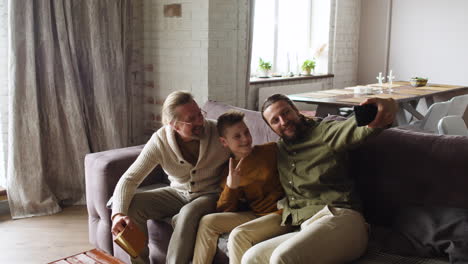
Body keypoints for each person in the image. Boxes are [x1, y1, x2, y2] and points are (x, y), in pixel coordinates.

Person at [242, 94, 398, 264]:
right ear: (272, 128)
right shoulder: (281, 148)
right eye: (275, 120)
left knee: (282, 258)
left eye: (286, 113)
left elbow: (358, 127)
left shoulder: (324, 132)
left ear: (296, 111)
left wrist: (388, 105)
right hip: (307, 225)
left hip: (343, 220)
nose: (283, 121)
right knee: (252, 257)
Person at [110, 91, 230, 264]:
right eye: (191, 119)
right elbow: (130, 178)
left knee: (187, 213)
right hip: (178, 193)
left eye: (199, 114)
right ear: (174, 125)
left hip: (211, 195)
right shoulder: (160, 141)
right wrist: (118, 215)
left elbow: (244, 152)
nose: (199, 121)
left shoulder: (218, 132)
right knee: (132, 205)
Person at [192, 110, 293, 264]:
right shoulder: (228, 170)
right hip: (255, 215)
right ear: (224, 142)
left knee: (239, 235)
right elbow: (225, 210)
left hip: (280, 214)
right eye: (237, 136)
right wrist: (231, 186)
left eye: (246, 132)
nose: (246, 139)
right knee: (207, 222)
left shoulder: (270, 150)